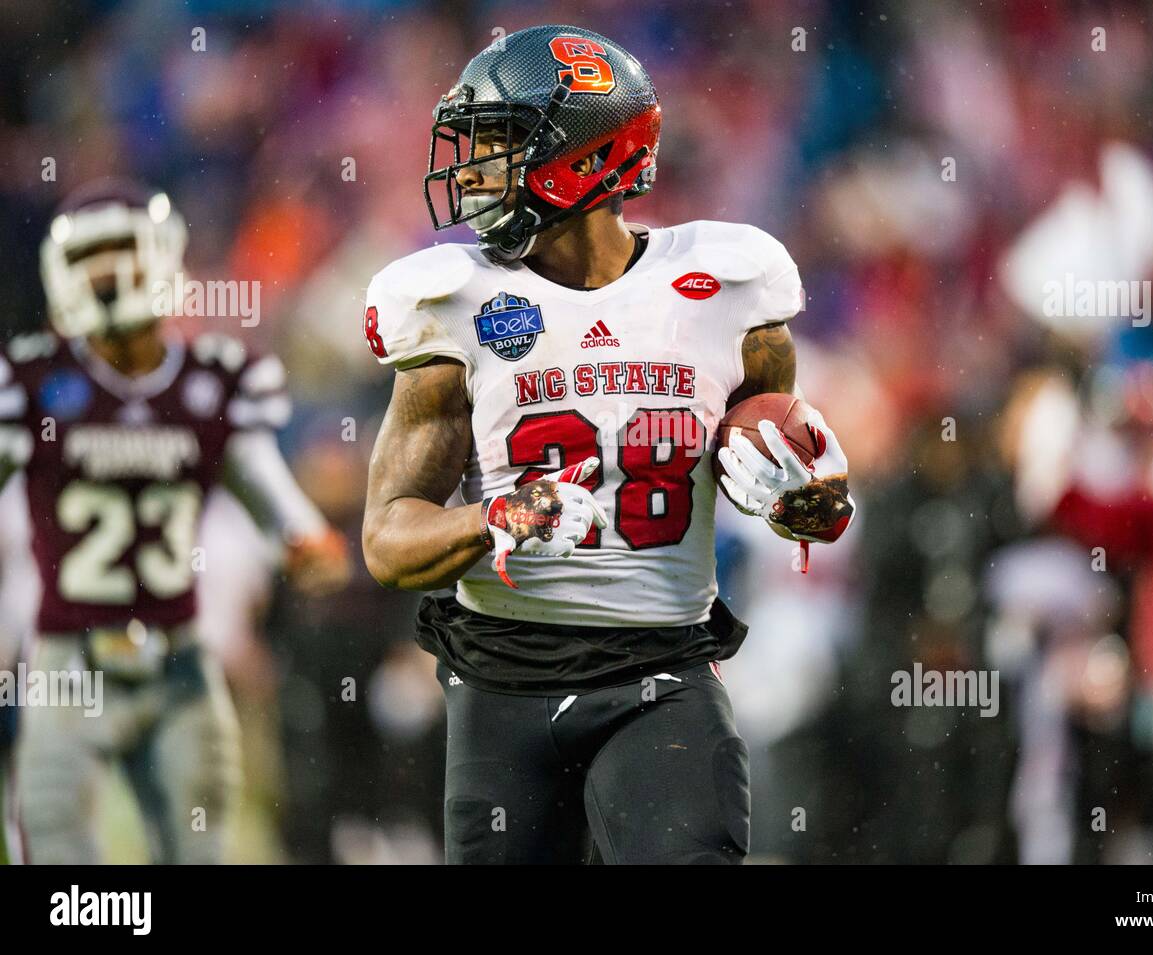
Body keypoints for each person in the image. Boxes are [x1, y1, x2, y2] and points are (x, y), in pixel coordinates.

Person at [362, 25, 854, 864]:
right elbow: (386, 539)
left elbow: (777, 465)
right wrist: (501, 517)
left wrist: (813, 500)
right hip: (501, 683)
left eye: (499, 142)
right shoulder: (455, 300)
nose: (472, 168)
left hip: (661, 675)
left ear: (584, 159)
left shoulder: (724, 287)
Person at [0, 179, 350, 863]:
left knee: (198, 850)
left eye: (119, 251)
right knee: (52, 853)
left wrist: (306, 542)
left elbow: (281, 507)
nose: (104, 272)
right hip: (68, 660)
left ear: (160, 256)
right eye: (90, 255)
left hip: (181, 661)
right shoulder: (31, 382)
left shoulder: (213, 383)